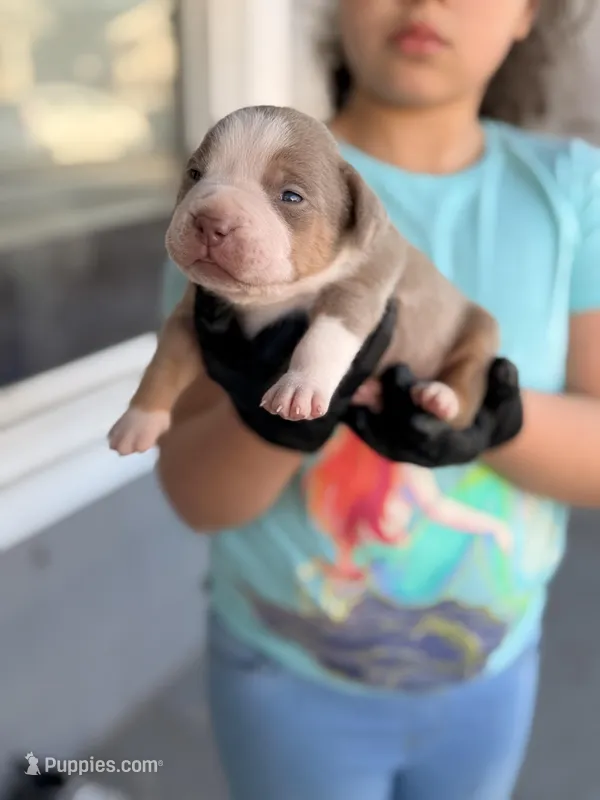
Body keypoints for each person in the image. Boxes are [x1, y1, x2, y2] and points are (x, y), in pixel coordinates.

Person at [158, 1, 600, 797]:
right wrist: (268, 416)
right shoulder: (232, 203)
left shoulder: (574, 190)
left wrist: (493, 421)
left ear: (531, 10)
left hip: (493, 672)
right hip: (285, 673)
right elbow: (195, 496)